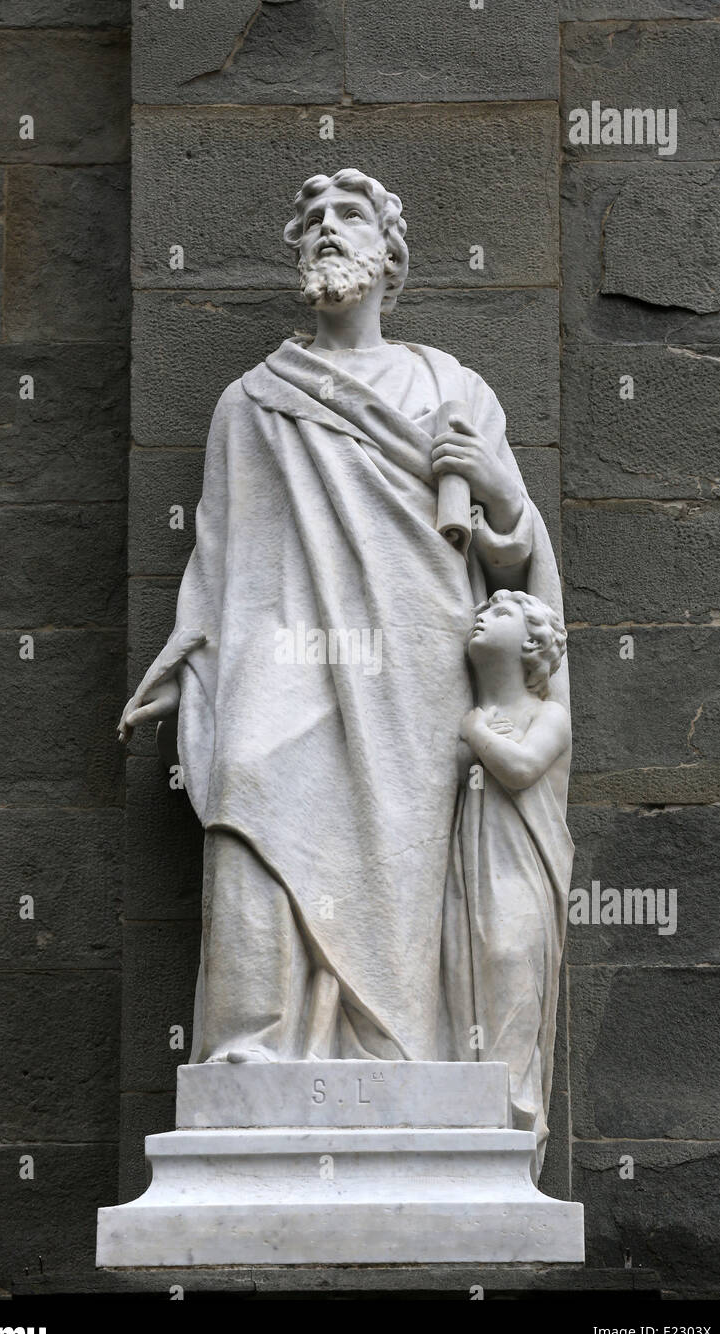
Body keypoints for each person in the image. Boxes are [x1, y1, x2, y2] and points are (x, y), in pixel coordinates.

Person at [117, 170, 569, 1101]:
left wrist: (501, 486)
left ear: (388, 255)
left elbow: (518, 566)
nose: (328, 230)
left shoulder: (450, 384)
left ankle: (404, 1055)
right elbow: (222, 545)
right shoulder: (251, 400)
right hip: (282, 647)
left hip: (417, 652)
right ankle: (253, 1050)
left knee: (403, 847)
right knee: (246, 774)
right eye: (313, 221)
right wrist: (189, 650)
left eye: (349, 217)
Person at [447, 590, 572, 1177]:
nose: (481, 613)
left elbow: (520, 770)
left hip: (522, 872)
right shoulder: (466, 715)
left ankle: (513, 1125)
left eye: (498, 612)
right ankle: (467, 1125)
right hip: (469, 872)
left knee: (509, 964)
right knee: (462, 981)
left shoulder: (547, 715)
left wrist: (476, 734)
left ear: (532, 641)